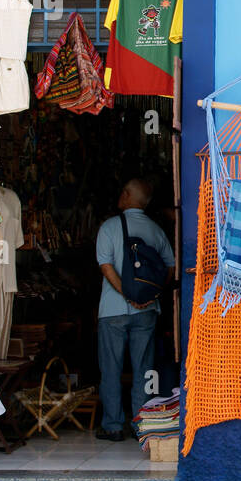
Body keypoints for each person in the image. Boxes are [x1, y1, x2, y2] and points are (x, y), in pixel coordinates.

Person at [94, 178, 175, 441]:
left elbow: (106, 266)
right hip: (147, 311)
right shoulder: (155, 230)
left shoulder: (109, 227)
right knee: (144, 369)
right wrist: (148, 296)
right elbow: (170, 267)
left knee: (111, 369)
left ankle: (114, 426)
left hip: (113, 310)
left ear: (127, 195)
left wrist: (127, 295)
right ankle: (142, 424)